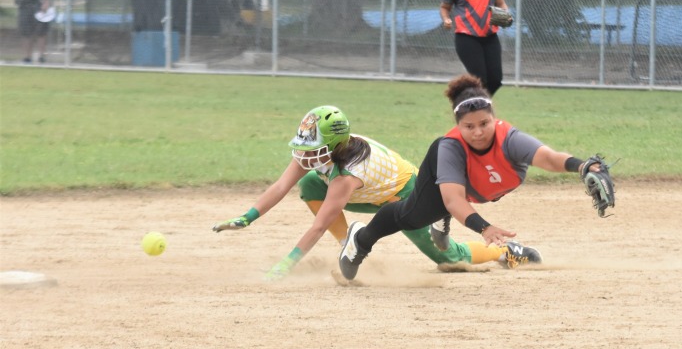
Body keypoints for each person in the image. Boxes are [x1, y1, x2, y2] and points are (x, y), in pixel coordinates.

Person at [212, 105, 533, 280]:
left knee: (448, 260)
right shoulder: (325, 156)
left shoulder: (347, 175)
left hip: (408, 192)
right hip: (373, 194)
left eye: (315, 145)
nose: (306, 153)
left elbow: (318, 224)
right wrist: (247, 217)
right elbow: (281, 186)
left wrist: (286, 265)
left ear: (335, 146)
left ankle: (506, 252)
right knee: (310, 182)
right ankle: (346, 245)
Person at [339, 74, 606, 281]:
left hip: (467, 187)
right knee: (411, 217)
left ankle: (440, 219)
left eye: (484, 124)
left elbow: (547, 157)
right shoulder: (451, 147)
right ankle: (360, 241)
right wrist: (485, 228)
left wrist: (581, 167)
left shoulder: (509, 139)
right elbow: (454, 200)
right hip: (444, 176)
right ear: (458, 125)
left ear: (494, 119)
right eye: (469, 126)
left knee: (448, 205)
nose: (478, 132)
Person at [440, 0, 510, 97]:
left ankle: (472, 103)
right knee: (480, 80)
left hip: (490, 36)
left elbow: (501, 3)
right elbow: (445, 7)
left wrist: (505, 15)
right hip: (467, 37)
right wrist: (446, 19)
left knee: (496, 80)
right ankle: (480, 111)